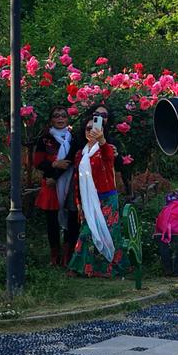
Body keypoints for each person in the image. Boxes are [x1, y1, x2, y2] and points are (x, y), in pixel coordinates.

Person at [67, 104, 126, 278]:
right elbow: (77, 179)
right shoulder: (80, 154)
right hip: (88, 200)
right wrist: (78, 202)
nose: (91, 131)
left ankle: (110, 268)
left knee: (109, 233)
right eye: (88, 128)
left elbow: (108, 156)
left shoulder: (106, 149)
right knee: (87, 233)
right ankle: (81, 267)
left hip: (107, 198)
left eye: (95, 128)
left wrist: (102, 140)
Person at [32, 106, 79, 267]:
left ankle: (67, 255)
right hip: (51, 183)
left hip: (70, 181)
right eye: (56, 116)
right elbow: (38, 162)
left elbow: (72, 159)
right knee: (52, 221)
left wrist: (58, 172)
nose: (60, 119)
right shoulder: (45, 139)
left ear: (67, 119)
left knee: (72, 218)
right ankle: (55, 256)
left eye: (63, 116)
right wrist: (54, 164)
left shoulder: (73, 138)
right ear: (51, 120)